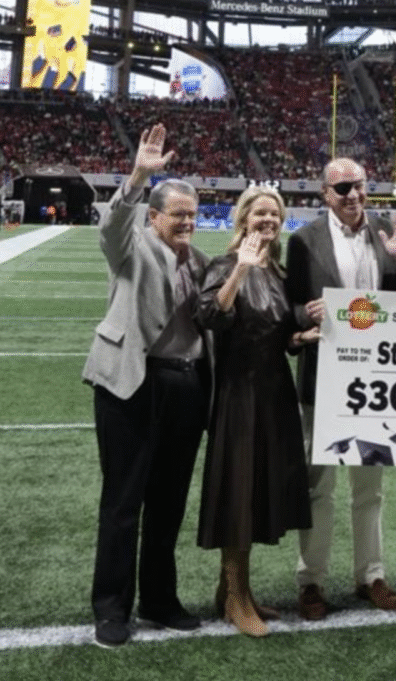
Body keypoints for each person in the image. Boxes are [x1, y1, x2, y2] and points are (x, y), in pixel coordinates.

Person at [82, 124, 211, 648]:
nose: (185, 222)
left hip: (185, 387)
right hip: (131, 385)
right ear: (153, 217)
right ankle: (112, 608)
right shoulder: (132, 249)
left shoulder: (201, 263)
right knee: (122, 502)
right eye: (176, 213)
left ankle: (159, 599)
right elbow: (111, 227)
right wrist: (138, 175)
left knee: (168, 502)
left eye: (191, 214)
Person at [285, 157, 396, 619]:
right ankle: (311, 581)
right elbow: (289, 310)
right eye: (341, 188)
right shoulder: (303, 241)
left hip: (377, 381)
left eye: (358, 185)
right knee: (318, 487)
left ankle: (372, 576)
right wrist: (311, 315)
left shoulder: (387, 230)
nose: (351, 195)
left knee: (370, 488)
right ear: (325, 193)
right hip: (325, 379)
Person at [195, 185, 319, 637]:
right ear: (244, 218)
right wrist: (240, 271)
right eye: (260, 213)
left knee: (256, 494)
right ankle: (234, 596)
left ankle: (234, 589)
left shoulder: (280, 273)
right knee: (238, 496)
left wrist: (303, 338)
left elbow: (280, 334)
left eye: (275, 214)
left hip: (274, 393)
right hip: (239, 394)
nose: (268, 220)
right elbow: (210, 315)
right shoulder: (227, 264)